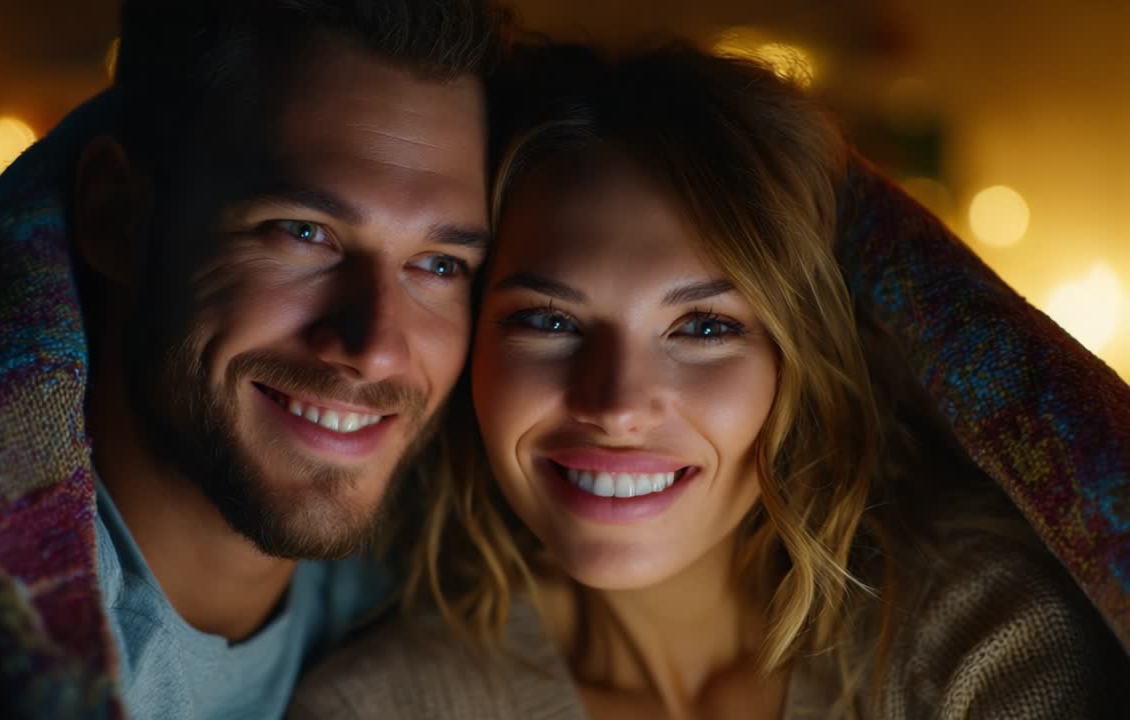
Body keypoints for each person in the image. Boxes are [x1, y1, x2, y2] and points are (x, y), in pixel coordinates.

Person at [288, 43, 1130, 719]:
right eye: (549, 321)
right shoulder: (382, 704)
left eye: (703, 328)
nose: (614, 406)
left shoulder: (985, 641)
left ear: (796, 364)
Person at [0, 1, 508, 717]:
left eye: (440, 266)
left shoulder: (439, 579)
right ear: (118, 218)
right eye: (303, 231)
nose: (375, 346)